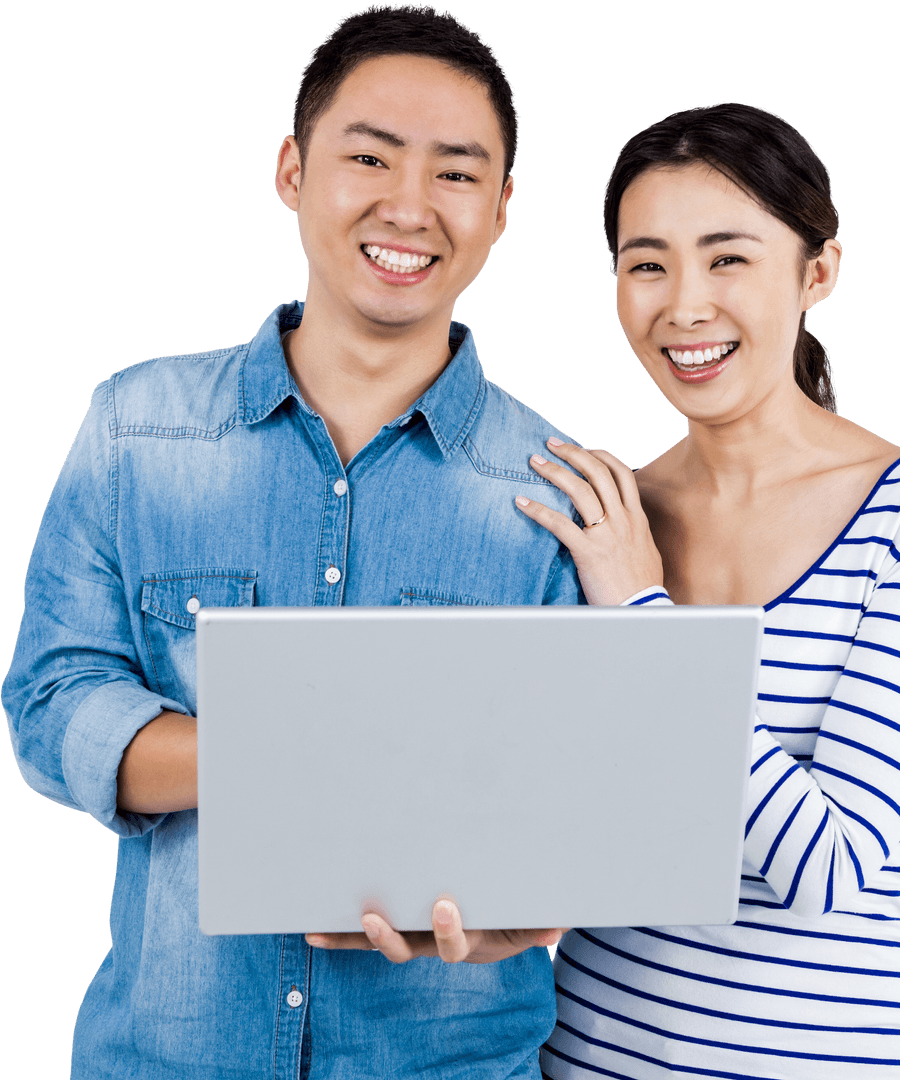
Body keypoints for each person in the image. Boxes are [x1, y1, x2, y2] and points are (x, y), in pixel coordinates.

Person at [3, 7, 659, 1078]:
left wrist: (520, 914)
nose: (408, 205)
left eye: (455, 174)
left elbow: (581, 802)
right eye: (369, 157)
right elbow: (48, 702)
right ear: (293, 170)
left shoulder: (565, 491)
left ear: (500, 213)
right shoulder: (136, 427)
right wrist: (282, 762)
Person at [514, 103, 900, 1077]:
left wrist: (643, 617)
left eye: (727, 258)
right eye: (647, 264)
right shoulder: (604, 515)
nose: (684, 304)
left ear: (817, 273)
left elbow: (829, 866)